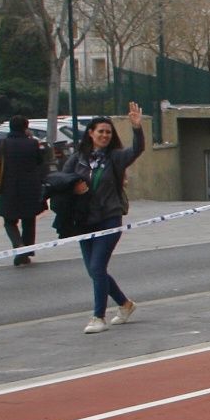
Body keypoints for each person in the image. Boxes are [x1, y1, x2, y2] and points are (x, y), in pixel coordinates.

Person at [63, 104, 146, 334]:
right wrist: (74, 189)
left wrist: (137, 127)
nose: (105, 135)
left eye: (108, 132)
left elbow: (136, 150)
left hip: (109, 218)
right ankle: (125, 304)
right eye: (100, 131)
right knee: (94, 270)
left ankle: (98, 317)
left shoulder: (116, 158)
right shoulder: (78, 159)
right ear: (91, 133)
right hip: (84, 220)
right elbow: (62, 181)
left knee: (98, 267)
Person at [0, 115, 48, 265]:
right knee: (29, 220)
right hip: (30, 187)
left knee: (9, 220)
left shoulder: (1, 144)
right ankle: (26, 250)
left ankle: (18, 245)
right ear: (26, 127)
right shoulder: (32, 144)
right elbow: (40, 162)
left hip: (8, 187)